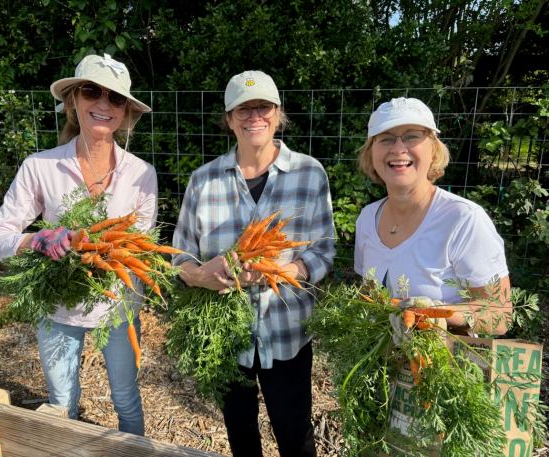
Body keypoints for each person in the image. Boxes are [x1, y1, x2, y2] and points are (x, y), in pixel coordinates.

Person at [0, 54, 157, 435]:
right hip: (57, 306)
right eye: (92, 91)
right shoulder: (40, 167)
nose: (104, 104)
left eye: (115, 97)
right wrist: (35, 240)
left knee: (126, 398)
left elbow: (142, 247)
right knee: (62, 404)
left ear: (125, 111)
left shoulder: (142, 174)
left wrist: (107, 254)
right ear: (73, 99)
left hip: (118, 306)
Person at [171, 70, 335, 457]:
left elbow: (324, 251)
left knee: (295, 435)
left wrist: (284, 272)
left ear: (278, 114)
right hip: (225, 336)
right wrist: (199, 275)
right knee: (241, 434)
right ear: (229, 119)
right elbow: (179, 257)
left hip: (287, 332)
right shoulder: (203, 180)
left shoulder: (309, 173)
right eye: (243, 109)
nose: (254, 117)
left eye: (263, 107)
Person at [355, 97, 512, 335]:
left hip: (442, 356)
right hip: (376, 358)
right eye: (385, 138)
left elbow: (500, 315)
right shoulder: (368, 218)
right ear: (371, 152)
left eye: (412, 136)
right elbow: (367, 294)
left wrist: (437, 312)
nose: (398, 149)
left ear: (433, 149)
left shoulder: (463, 219)